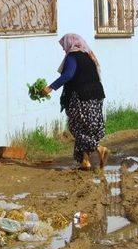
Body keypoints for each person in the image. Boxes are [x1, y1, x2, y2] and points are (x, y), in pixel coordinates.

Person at [42, 33, 109, 170]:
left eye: (63, 46)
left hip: (81, 96)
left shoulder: (72, 57)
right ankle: (85, 161)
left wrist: (51, 87)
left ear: (70, 43)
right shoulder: (88, 55)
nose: (63, 49)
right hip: (96, 95)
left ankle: (99, 148)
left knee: (75, 127)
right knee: (87, 129)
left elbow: (68, 75)